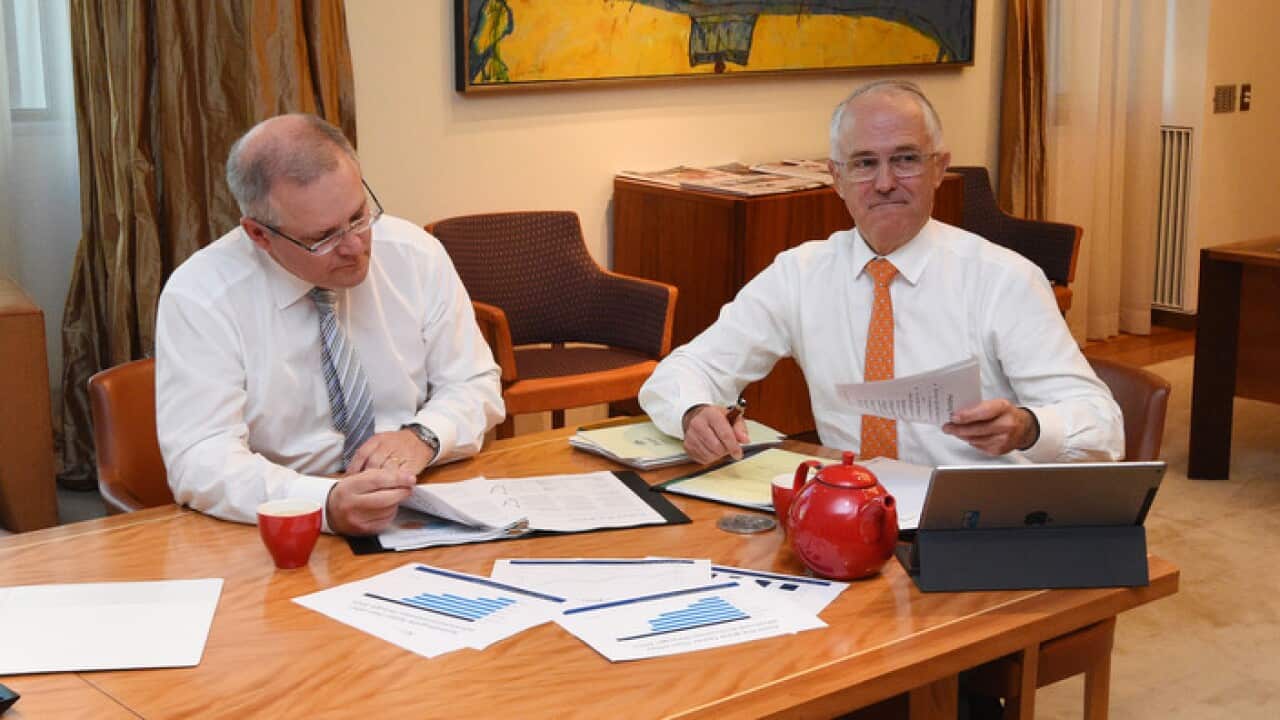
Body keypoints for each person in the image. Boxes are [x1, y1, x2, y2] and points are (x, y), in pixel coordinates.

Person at [639, 80, 1123, 467]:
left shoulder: (1004, 280)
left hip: (973, 520)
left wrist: (1028, 426)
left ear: (939, 169)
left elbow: (1104, 429)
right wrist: (694, 412)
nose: (886, 182)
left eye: (906, 159)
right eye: (865, 163)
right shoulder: (801, 274)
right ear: (837, 178)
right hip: (849, 510)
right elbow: (684, 370)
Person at [155, 114, 504, 536]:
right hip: (275, 524)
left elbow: (474, 381)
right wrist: (322, 503)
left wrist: (423, 437)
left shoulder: (414, 254)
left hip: (418, 501)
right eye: (324, 236)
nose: (355, 246)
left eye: (359, 216)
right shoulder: (202, 296)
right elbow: (200, 457)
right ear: (259, 234)